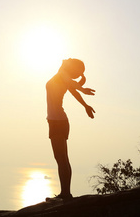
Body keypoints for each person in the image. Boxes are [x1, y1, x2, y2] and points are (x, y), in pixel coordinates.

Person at [45, 58, 95, 201]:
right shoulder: (62, 77)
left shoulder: (63, 76)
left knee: (61, 159)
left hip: (58, 122)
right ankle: (65, 193)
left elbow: (73, 85)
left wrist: (83, 89)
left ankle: (65, 195)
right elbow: (74, 90)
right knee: (62, 159)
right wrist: (85, 105)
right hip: (57, 121)